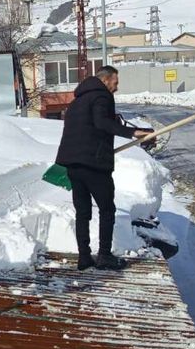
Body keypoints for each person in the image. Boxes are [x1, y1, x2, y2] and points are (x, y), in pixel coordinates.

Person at [55, 65, 152, 271]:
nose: (116, 88)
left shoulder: (77, 101)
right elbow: (101, 122)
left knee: (83, 212)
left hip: (72, 164)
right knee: (107, 209)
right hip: (94, 164)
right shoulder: (102, 96)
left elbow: (85, 128)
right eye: (115, 83)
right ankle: (104, 256)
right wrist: (132, 132)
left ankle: (84, 257)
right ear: (106, 80)